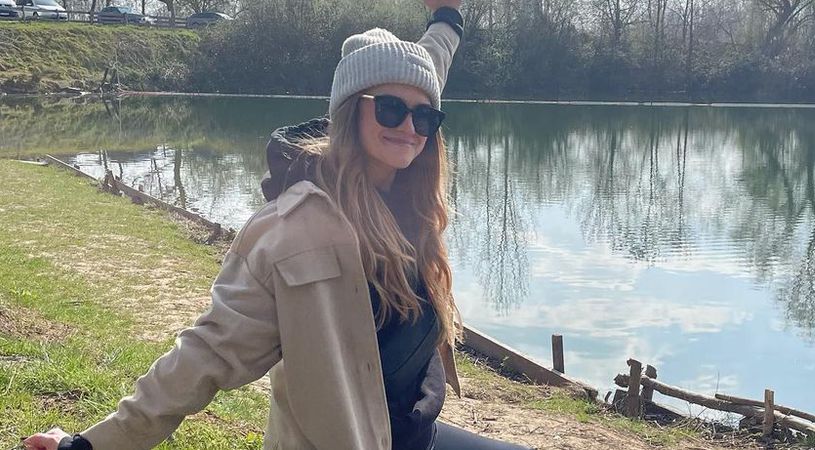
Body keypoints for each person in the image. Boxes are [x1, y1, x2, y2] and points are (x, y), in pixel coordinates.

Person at [23, 1, 531, 449]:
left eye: (424, 117)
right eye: (391, 109)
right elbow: (206, 352)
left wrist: (447, 18)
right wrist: (88, 446)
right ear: (349, 112)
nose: (408, 127)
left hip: (418, 433)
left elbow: (427, 68)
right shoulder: (294, 230)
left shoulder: (409, 195)